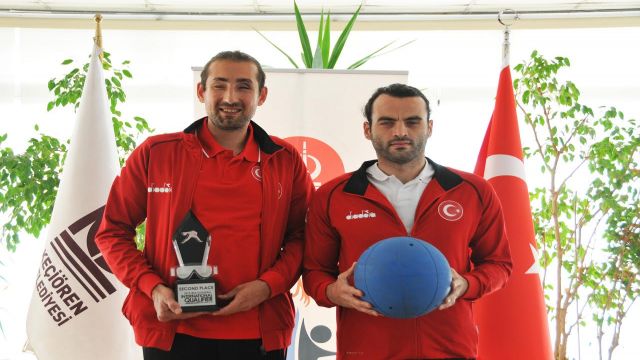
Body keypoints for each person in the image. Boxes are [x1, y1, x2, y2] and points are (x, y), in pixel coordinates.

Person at [96, 51, 314, 359]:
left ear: (261, 96)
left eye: (243, 86)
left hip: (258, 329)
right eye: (219, 85)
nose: (230, 97)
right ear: (202, 92)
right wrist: (153, 288)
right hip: (172, 329)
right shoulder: (155, 154)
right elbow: (112, 232)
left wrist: (267, 286)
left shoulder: (285, 160)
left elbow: (303, 236)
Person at [302, 83, 512, 359]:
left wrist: (467, 284)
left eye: (412, 122)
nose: (400, 131)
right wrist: (332, 291)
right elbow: (314, 272)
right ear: (368, 130)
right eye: (387, 122)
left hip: (450, 349)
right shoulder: (333, 196)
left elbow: (499, 265)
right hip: (367, 350)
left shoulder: (473, 191)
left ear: (429, 127)